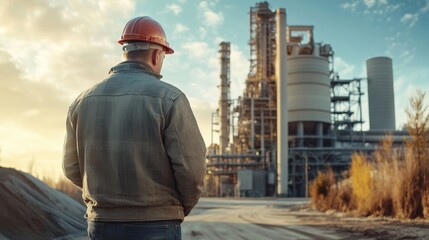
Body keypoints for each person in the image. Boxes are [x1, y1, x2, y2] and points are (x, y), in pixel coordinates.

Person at [62, 16, 207, 240]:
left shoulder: (82, 101)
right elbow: (191, 168)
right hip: (156, 225)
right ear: (156, 54)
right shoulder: (170, 98)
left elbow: (71, 167)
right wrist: (176, 208)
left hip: (102, 225)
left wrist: (106, 201)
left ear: (126, 50)